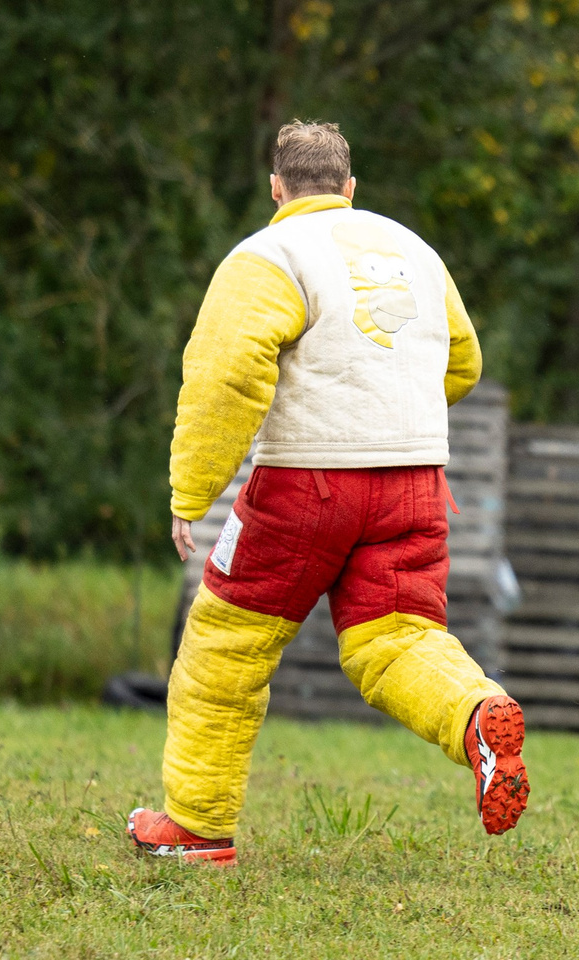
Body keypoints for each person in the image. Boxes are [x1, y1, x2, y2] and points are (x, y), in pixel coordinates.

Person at [125, 121, 528, 865]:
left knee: (227, 645)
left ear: (275, 188)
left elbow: (226, 377)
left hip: (305, 486)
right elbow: (462, 360)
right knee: (397, 638)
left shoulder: (267, 255)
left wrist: (190, 491)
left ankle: (198, 824)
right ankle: (478, 710)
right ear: (350, 187)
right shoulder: (415, 251)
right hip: (414, 484)